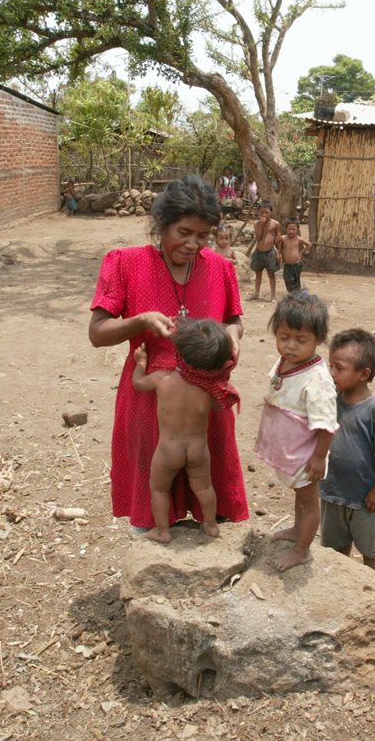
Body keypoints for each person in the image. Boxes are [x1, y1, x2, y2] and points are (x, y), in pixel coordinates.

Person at [89, 175, 249, 533]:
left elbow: (235, 320)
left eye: (203, 235)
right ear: (161, 225)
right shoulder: (126, 263)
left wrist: (233, 336)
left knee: (211, 491)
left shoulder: (220, 268)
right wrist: (140, 321)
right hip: (150, 399)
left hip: (206, 402)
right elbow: (97, 334)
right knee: (153, 493)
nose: (194, 244)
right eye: (184, 233)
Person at [131, 319, 239, 543]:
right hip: (198, 448)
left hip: (168, 449)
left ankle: (162, 531)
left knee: (159, 489)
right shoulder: (208, 390)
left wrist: (141, 362)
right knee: (205, 487)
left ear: (180, 353)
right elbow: (220, 406)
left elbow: (138, 384)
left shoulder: (163, 379)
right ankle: (210, 525)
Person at [255, 292, 337, 571]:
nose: (290, 346)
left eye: (301, 341)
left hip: (306, 454)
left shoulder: (317, 380)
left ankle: (302, 550)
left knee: (308, 501)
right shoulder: (285, 363)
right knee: (299, 499)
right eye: (283, 337)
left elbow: (327, 425)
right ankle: (296, 529)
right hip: (290, 447)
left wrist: (319, 457)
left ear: (319, 340)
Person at [319, 329, 375, 573]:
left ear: (364, 374)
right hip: (331, 490)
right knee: (335, 547)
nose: (332, 373)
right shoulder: (330, 399)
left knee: (369, 549)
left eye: (339, 368)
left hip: (363, 497)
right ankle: (341, 587)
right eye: (330, 365)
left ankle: (371, 589)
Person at [249, 203, 282, 301]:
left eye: (266, 212)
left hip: (270, 252)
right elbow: (258, 238)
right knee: (258, 273)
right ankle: (256, 293)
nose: (264, 214)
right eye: (261, 212)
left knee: (271, 274)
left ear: (271, 212)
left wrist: (279, 253)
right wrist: (261, 226)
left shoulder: (275, 224)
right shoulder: (257, 224)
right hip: (259, 251)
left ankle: (273, 295)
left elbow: (279, 238)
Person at [277, 219, 313, 293]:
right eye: (289, 229)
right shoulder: (283, 238)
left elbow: (309, 244)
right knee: (287, 279)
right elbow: (279, 248)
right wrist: (279, 254)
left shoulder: (299, 239)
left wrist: (301, 252)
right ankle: (292, 293)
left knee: (296, 280)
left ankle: (296, 294)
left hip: (297, 264)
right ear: (286, 228)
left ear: (297, 229)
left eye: (294, 229)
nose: (291, 231)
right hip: (287, 264)